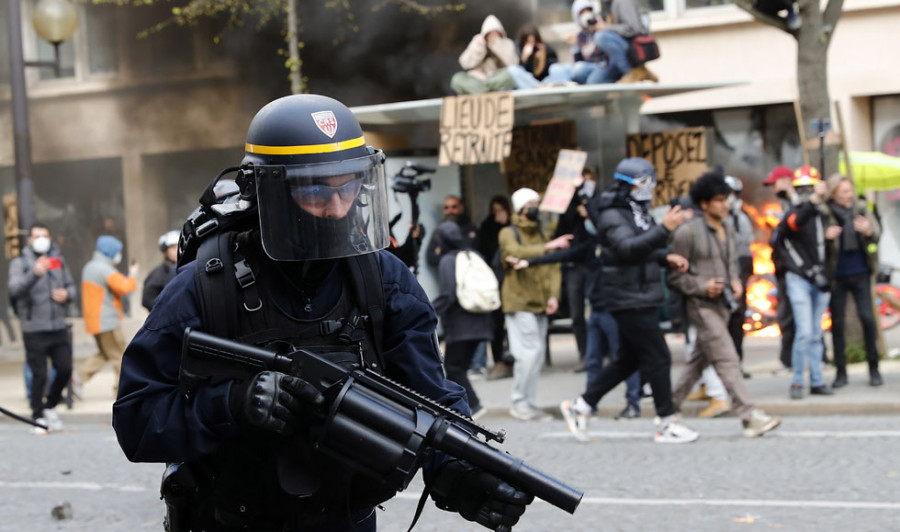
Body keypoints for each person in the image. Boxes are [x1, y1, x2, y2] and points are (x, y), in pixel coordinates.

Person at [112, 94, 533, 531]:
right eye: (314, 190)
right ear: (267, 192)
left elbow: (432, 398)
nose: (336, 208)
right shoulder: (204, 288)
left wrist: (460, 473)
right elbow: (137, 420)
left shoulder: (383, 279)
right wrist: (231, 405)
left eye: (348, 187)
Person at [559, 157, 699, 443]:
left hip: (638, 293)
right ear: (630, 184)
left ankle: (580, 406)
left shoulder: (635, 210)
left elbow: (641, 247)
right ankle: (667, 422)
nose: (650, 188)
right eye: (645, 182)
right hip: (627, 296)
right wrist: (665, 230)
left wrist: (664, 256)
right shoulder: (613, 213)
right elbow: (625, 249)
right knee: (659, 356)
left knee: (629, 359)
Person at [668, 172, 781, 438]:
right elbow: (673, 274)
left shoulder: (728, 227)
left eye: (726, 199)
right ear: (704, 203)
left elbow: (730, 260)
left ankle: (667, 407)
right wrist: (701, 286)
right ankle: (749, 416)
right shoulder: (687, 232)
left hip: (724, 303)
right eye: (719, 200)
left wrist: (735, 280)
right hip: (700, 305)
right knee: (728, 357)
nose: (725, 204)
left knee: (697, 361)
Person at [498, 188, 571, 421]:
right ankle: (519, 402)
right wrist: (549, 247)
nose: (536, 207)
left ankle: (528, 402)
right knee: (529, 353)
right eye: (531, 203)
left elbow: (551, 266)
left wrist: (553, 295)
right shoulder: (508, 233)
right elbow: (515, 252)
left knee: (536, 355)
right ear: (520, 207)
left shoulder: (540, 233)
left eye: (537, 203)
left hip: (539, 302)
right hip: (519, 302)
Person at [771, 165, 834, 399]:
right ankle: (798, 380)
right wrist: (814, 198)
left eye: (811, 188)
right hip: (798, 278)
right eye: (803, 188)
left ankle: (817, 380)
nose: (807, 192)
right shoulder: (794, 210)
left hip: (819, 278)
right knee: (804, 332)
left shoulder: (820, 211)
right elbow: (795, 223)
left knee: (817, 334)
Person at [8, 223, 76, 434]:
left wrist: (67, 295)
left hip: (57, 325)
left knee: (65, 368)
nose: (41, 240)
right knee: (39, 375)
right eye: (37, 236)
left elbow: (71, 286)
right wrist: (34, 273)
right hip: (34, 328)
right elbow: (14, 288)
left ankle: (50, 407)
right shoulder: (20, 262)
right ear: (29, 239)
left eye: (45, 236)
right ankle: (37, 415)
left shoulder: (58, 260)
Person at [823, 175, 883, 387]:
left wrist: (868, 231)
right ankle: (841, 372)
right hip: (837, 276)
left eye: (850, 190)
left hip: (861, 272)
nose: (848, 195)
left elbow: (876, 234)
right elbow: (814, 241)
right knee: (837, 324)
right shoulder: (825, 212)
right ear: (833, 194)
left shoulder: (861, 208)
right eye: (843, 192)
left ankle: (874, 369)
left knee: (867, 319)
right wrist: (826, 237)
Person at [432, 221, 493, 419]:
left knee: (453, 368)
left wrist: (427, 310)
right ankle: (462, 409)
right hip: (481, 322)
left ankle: (473, 406)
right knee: (460, 368)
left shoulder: (448, 261)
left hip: (461, 326)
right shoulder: (473, 255)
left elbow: (448, 294)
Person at [79, 235, 138, 394]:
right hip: (107, 321)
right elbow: (125, 287)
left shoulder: (90, 266)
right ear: (110, 252)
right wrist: (133, 274)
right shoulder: (105, 269)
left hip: (95, 320)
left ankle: (78, 379)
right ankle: (122, 390)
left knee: (105, 354)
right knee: (120, 356)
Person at [475, 195, 514, 380]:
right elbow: (486, 249)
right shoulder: (488, 226)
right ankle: (499, 360)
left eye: (501, 209)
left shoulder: (513, 227)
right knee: (496, 324)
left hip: (512, 281)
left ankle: (513, 360)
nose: (498, 213)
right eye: (495, 210)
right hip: (494, 280)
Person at [764, 165, 797, 369]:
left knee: (791, 316)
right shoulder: (784, 205)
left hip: (794, 270)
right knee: (787, 315)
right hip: (784, 270)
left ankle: (790, 360)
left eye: (775, 183)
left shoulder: (796, 204)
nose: (773, 188)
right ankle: (789, 359)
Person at [723, 175, 755, 378]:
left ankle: (736, 364)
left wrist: (743, 279)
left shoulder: (740, 218)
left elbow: (746, 250)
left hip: (737, 278)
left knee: (737, 324)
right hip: (718, 277)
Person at [450, 15, 518, 95]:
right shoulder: (478, 43)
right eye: (490, 34)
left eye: (495, 33)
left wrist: (497, 46)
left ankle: (485, 91)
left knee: (511, 75)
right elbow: (465, 63)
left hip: (498, 79)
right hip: (478, 80)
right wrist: (478, 48)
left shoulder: (507, 43)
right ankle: (485, 92)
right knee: (457, 79)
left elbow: (513, 64)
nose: (492, 36)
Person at [425, 195, 477, 268]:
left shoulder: (470, 228)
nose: (450, 211)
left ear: (461, 208)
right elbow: (431, 258)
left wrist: (442, 250)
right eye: (447, 208)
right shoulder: (439, 230)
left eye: (454, 207)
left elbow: (469, 252)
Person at [506, 24, 559, 89]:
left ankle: (539, 88)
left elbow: (553, 69)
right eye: (528, 42)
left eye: (533, 41)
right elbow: (520, 72)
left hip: (544, 82)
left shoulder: (545, 48)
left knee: (557, 71)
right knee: (512, 69)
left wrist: (542, 58)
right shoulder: (517, 48)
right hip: (528, 83)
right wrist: (524, 58)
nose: (531, 44)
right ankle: (537, 87)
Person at [142, 230, 179, 312]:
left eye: (179, 247)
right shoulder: (157, 275)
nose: (177, 250)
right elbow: (147, 301)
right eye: (173, 248)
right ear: (166, 252)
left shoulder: (190, 268)